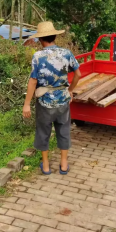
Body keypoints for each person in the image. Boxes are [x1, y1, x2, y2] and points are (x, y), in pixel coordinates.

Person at [23, 21, 81, 175]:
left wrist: (27, 104)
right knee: (63, 129)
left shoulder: (38, 56)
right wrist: (70, 90)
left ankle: (46, 165)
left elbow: (33, 81)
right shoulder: (66, 53)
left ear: (41, 40)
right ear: (54, 36)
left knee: (43, 131)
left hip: (44, 101)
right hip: (63, 100)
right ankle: (63, 164)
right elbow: (78, 74)